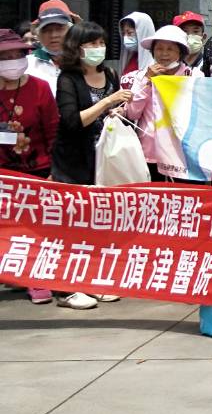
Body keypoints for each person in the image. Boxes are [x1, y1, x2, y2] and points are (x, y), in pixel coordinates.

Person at [51, 21, 130, 310]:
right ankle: (65, 288)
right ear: (77, 47)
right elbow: (73, 121)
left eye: (101, 43)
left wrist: (119, 109)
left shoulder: (109, 74)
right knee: (71, 227)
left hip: (104, 160)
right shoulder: (68, 79)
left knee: (97, 226)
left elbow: (117, 110)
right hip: (73, 163)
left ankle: (93, 280)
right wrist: (108, 101)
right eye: (91, 44)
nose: (98, 49)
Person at [0, 27, 59, 305]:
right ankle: (12, 273)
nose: (12, 61)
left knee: (35, 228)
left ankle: (37, 278)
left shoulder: (39, 87)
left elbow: (53, 130)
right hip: (4, 174)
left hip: (38, 170)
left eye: (17, 55)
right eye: (5, 57)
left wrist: (54, 170)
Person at [121, 24, 198, 177]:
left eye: (170, 49)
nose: (164, 54)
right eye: (159, 49)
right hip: (150, 152)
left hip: (182, 153)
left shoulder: (193, 76)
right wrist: (147, 81)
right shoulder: (141, 76)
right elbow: (132, 113)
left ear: (181, 52)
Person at [26, 0, 74, 92]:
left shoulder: (83, 62)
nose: (53, 35)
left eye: (59, 29)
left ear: (71, 31)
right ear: (38, 35)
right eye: (46, 30)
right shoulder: (27, 64)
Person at [116, 11, 155, 79]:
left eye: (129, 33)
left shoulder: (157, 63)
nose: (125, 37)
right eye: (123, 34)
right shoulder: (129, 59)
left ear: (143, 32)